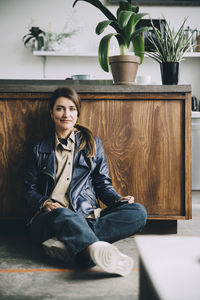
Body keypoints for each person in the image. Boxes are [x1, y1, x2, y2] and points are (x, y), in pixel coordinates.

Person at [23, 87, 147, 276]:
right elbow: (28, 190)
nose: (66, 114)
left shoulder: (92, 144)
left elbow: (102, 183)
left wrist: (117, 200)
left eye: (72, 109)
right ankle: (92, 248)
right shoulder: (39, 148)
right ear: (51, 112)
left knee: (138, 212)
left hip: (86, 215)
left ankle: (77, 246)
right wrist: (45, 202)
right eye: (60, 109)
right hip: (51, 218)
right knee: (64, 214)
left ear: (78, 113)